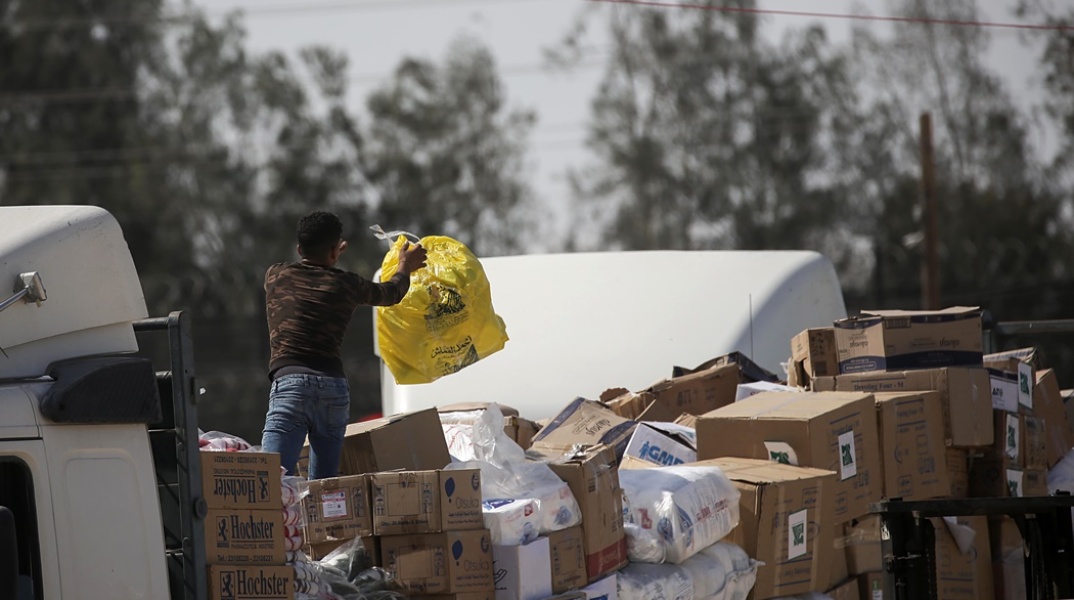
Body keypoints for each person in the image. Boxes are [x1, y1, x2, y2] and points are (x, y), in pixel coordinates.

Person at [261, 210, 427, 478]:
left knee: (272, 479)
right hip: (332, 389)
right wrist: (404, 265)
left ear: (299, 248)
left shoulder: (275, 276)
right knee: (324, 487)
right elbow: (391, 293)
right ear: (337, 249)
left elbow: (314, 270)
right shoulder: (347, 285)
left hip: (290, 387)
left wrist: (330, 253)